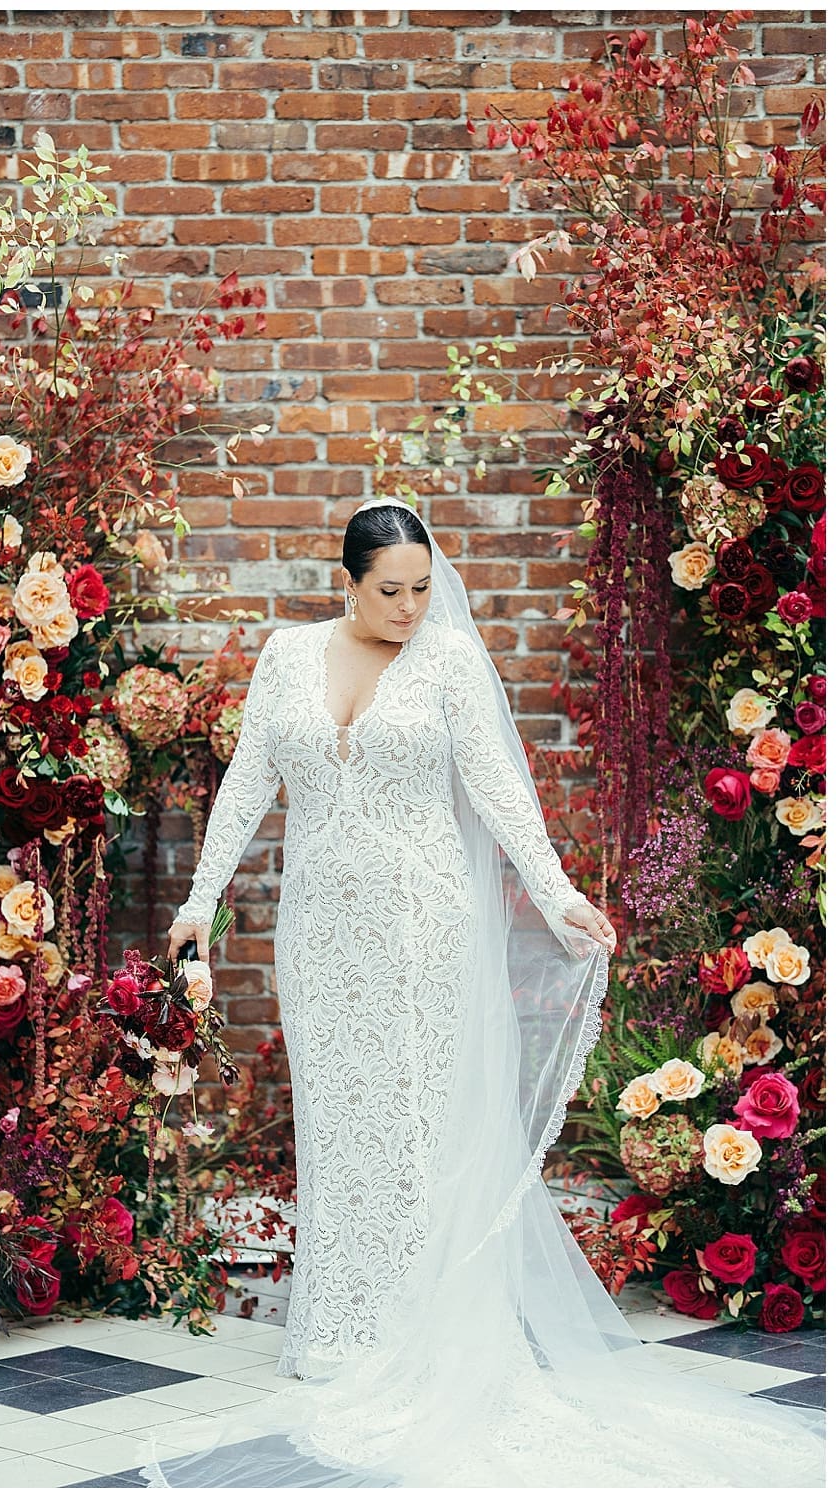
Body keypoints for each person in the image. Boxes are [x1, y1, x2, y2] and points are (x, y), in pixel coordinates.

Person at [143, 495, 823, 1485]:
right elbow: (247, 779)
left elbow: (500, 789)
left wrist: (550, 896)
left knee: (419, 1121)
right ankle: (338, 1333)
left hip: (425, 927)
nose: (410, 607)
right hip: (321, 934)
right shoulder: (286, 658)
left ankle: (421, 1334)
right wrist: (198, 903)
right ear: (348, 582)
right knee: (340, 1121)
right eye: (388, 591)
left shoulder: (449, 662)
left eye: (422, 587)